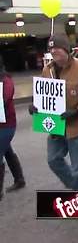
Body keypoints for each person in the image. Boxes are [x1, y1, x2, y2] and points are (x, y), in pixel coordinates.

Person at [28, 34, 78, 191]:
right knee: (53, 160)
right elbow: (43, 93)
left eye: (57, 47)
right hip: (55, 125)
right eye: (51, 48)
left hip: (77, 126)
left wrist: (77, 111)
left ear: (66, 49)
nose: (54, 51)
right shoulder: (48, 69)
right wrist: (35, 106)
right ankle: (77, 187)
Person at [1, 55, 25, 200]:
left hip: (6, 125)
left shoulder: (6, 80)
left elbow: (3, 99)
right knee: (7, 151)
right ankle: (19, 179)